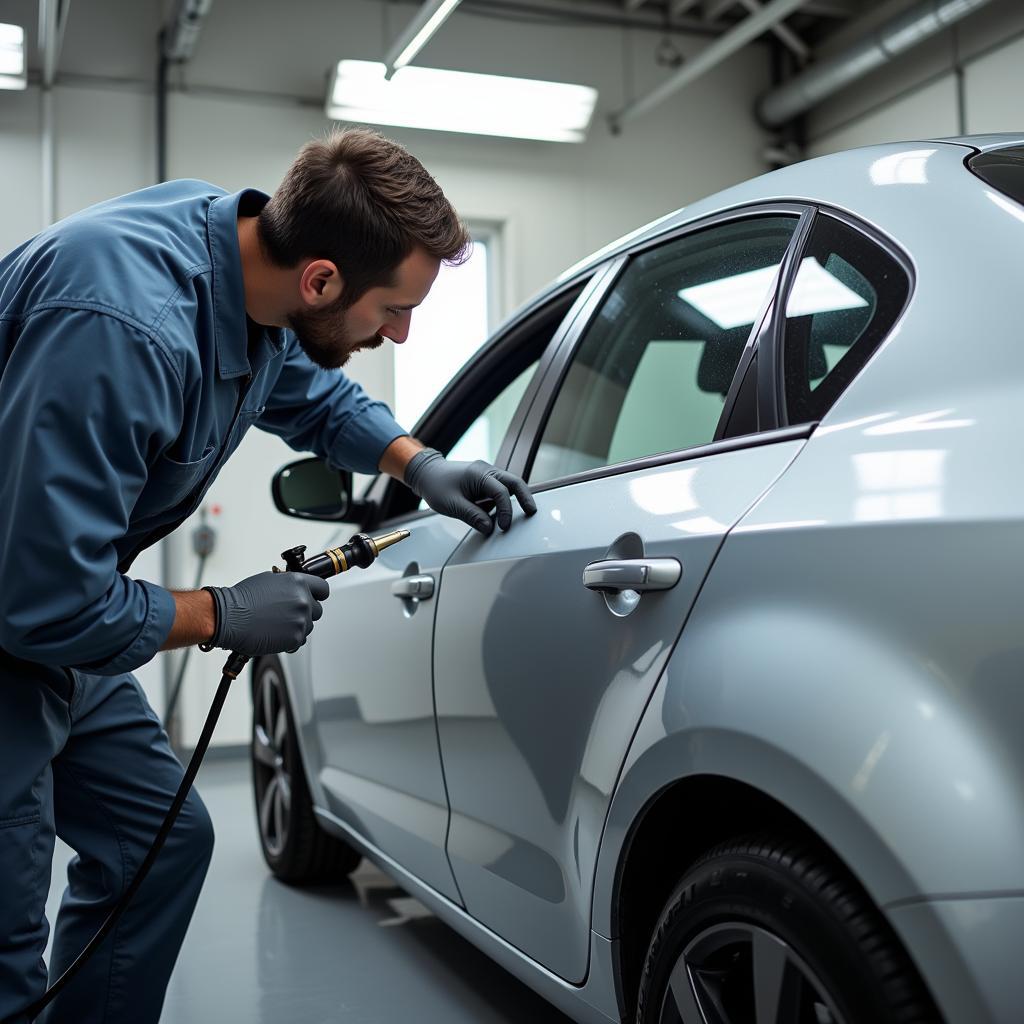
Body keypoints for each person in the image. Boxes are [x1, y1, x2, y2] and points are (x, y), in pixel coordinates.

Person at [0, 127, 536, 1023]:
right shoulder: (119, 329)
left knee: (157, 846)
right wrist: (219, 612)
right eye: (393, 310)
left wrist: (418, 463)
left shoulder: (250, 265)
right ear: (322, 280)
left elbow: (312, 394)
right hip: (22, 622)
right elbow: (42, 602)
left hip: (55, 625)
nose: (398, 332)